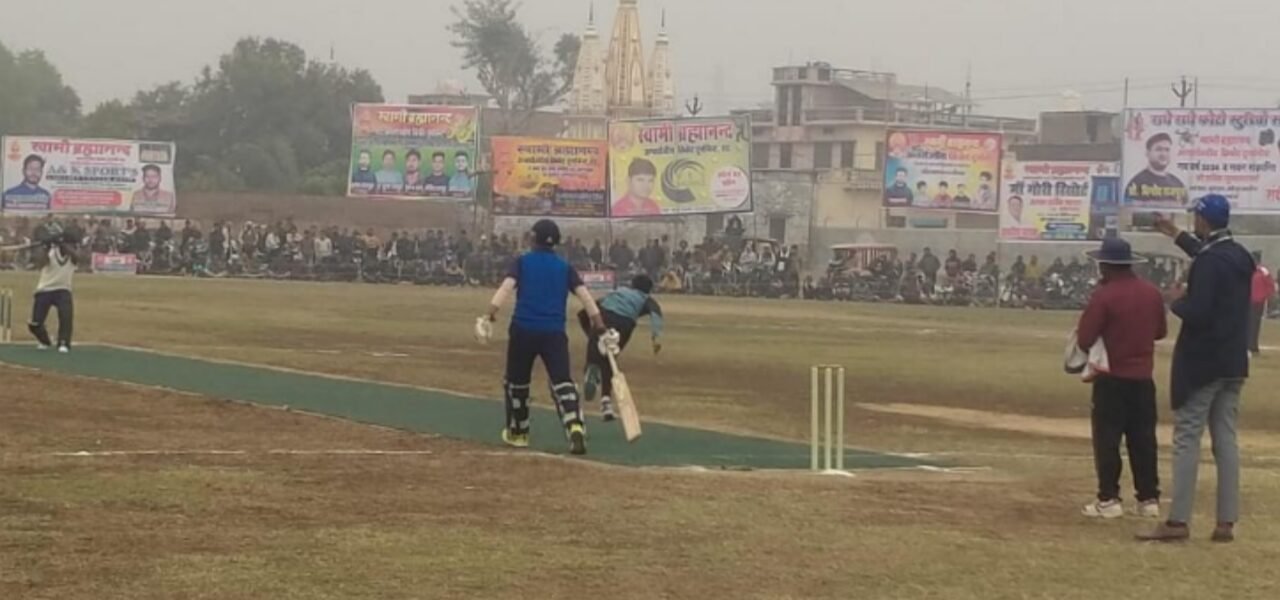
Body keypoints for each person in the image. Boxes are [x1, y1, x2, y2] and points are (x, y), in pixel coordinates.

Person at [1139, 194, 1254, 543]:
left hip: (1203, 362)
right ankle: (1226, 521)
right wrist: (1174, 234)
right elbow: (1209, 257)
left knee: (1187, 438)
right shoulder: (1240, 256)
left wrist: (1176, 301)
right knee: (1226, 441)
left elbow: (1200, 310)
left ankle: (1178, 521)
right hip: (1233, 359)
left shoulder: (1210, 261)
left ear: (1204, 221)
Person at [483, 219, 606, 455]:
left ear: (533, 238)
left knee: (517, 383)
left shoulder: (523, 262)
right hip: (554, 333)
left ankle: (518, 432)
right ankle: (575, 426)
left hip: (523, 330)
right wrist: (598, 323)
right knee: (562, 381)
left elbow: (506, 288)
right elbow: (586, 296)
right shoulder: (564, 267)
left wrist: (490, 313)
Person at [1076, 237, 1167, 519]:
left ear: (1105, 266)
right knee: (1143, 440)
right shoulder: (1151, 293)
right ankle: (1148, 498)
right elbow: (1160, 332)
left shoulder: (1104, 296)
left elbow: (1085, 338)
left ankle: (1109, 498)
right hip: (1143, 378)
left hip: (1112, 378)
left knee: (1108, 440)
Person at [578, 274, 665, 420]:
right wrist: (656, 339)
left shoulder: (618, 292)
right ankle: (606, 404)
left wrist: (592, 335)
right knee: (609, 360)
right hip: (625, 324)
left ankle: (591, 368)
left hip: (604, 315)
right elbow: (656, 315)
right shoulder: (645, 299)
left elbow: (583, 313)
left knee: (595, 356)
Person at [29, 228, 79, 353]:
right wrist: (46, 246)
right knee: (35, 324)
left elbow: (78, 256)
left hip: (63, 289)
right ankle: (44, 340)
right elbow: (41, 262)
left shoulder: (73, 255)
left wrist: (62, 243)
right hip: (44, 290)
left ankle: (63, 343)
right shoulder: (51, 252)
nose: (72, 246)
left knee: (66, 317)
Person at [1124, 133, 1188, 206]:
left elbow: (1186, 210)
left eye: (1167, 150)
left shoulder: (1178, 184)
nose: (1163, 154)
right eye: (1158, 149)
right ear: (1147, 153)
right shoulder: (1136, 183)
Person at [1250, 251, 1275, 356]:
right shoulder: (1249, 270)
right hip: (1248, 301)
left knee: (1254, 325)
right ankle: (1248, 346)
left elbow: (1270, 285)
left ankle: (1253, 347)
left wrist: (1268, 297)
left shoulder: (1263, 271)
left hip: (1258, 302)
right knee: (1248, 324)